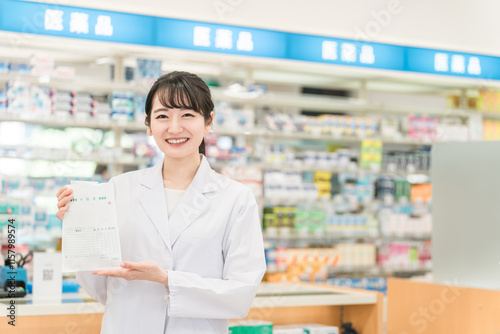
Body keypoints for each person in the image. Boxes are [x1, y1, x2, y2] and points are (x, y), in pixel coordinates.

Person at [56, 71, 267, 334]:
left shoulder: (235, 199)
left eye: (188, 115)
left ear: (209, 121)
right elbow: (99, 286)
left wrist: (167, 280)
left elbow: (240, 295)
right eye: (163, 116)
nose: (175, 128)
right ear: (148, 124)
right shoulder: (118, 190)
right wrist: (80, 229)